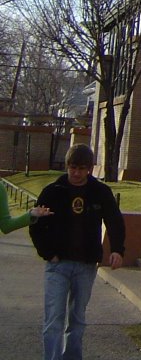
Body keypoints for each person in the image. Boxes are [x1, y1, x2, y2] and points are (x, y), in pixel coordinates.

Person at [29, 144, 126, 360]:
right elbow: (36, 224)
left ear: (90, 169)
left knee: (77, 317)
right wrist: (48, 253)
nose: (76, 173)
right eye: (72, 168)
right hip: (58, 265)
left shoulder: (100, 192)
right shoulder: (53, 191)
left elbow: (114, 222)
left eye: (81, 169)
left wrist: (118, 250)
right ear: (67, 166)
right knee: (54, 317)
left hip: (86, 265)